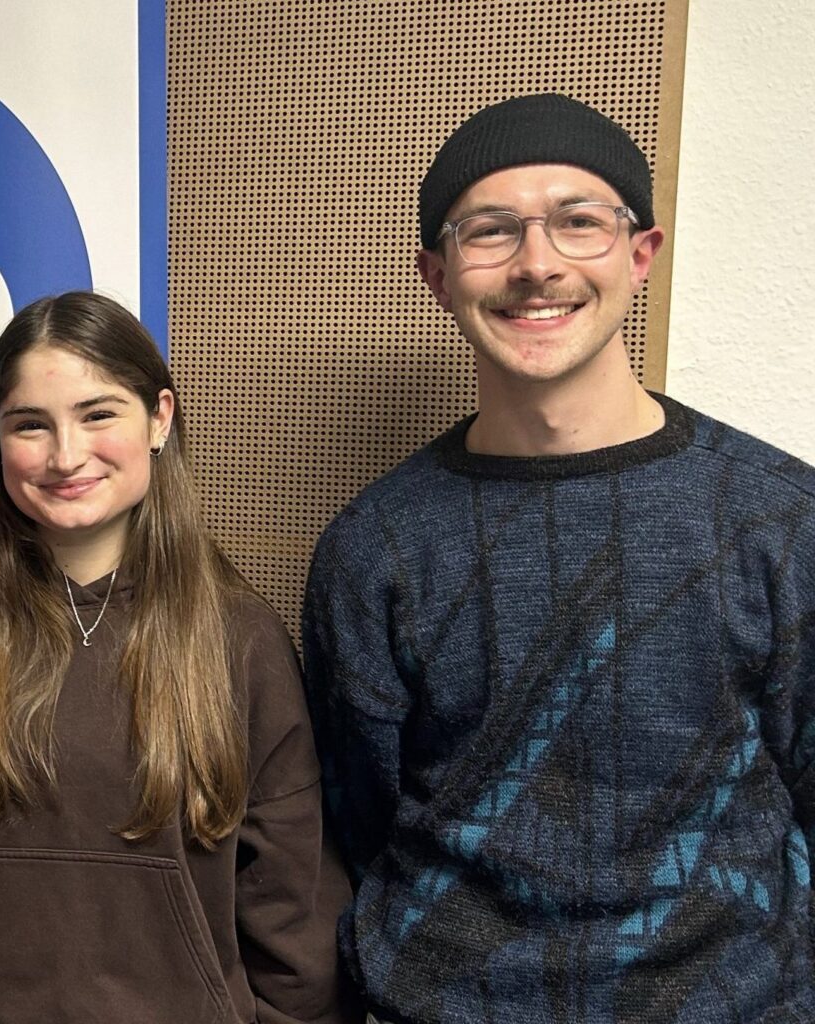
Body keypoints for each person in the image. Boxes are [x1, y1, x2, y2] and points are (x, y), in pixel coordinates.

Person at [302, 93, 815, 1023]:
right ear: (437, 274)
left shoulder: (782, 520)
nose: (538, 265)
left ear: (639, 254)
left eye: (579, 222)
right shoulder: (373, 551)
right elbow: (358, 824)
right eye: (491, 231)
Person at [0, 291, 350, 1023]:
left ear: (159, 419)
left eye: (98, 414)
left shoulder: (241, 637)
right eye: (30, 424)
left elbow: (291, 901)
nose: (65, 455)